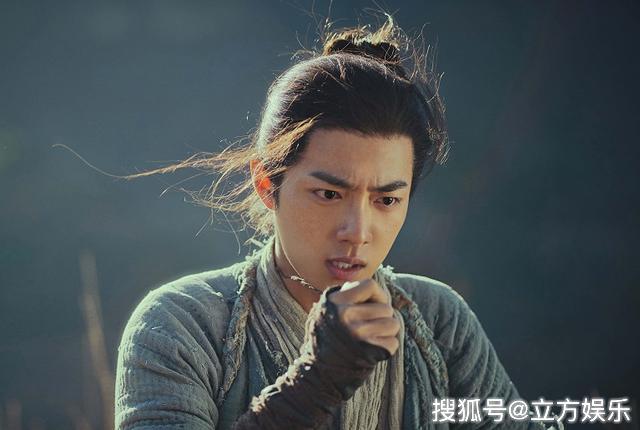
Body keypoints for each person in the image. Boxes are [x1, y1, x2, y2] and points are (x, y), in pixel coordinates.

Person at [114, 15, 560, 430]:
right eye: (329, 194)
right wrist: (318, 380)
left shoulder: (439, 323)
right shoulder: (182, 326)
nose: (358, 231)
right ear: (267, 184)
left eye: (387, 200)